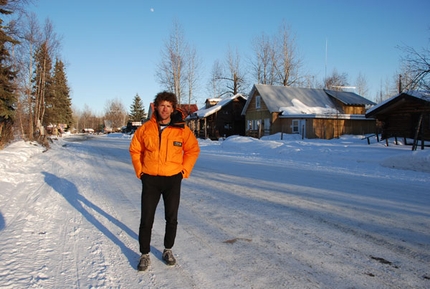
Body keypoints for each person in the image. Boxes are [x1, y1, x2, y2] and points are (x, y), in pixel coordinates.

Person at [129, 91, 200, 271]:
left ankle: (167, 249)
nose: (165, 109)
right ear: (156, 106)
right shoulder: (145, 129)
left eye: (169, 106)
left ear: (173, 108)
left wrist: (184, 171)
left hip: (172, 180)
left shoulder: (181, 129)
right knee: (147, 218)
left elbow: (192, 150)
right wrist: (140, 171)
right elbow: (135, 149)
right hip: (150, 179)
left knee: (171, 217)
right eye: (162, 105)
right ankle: (144, 254)